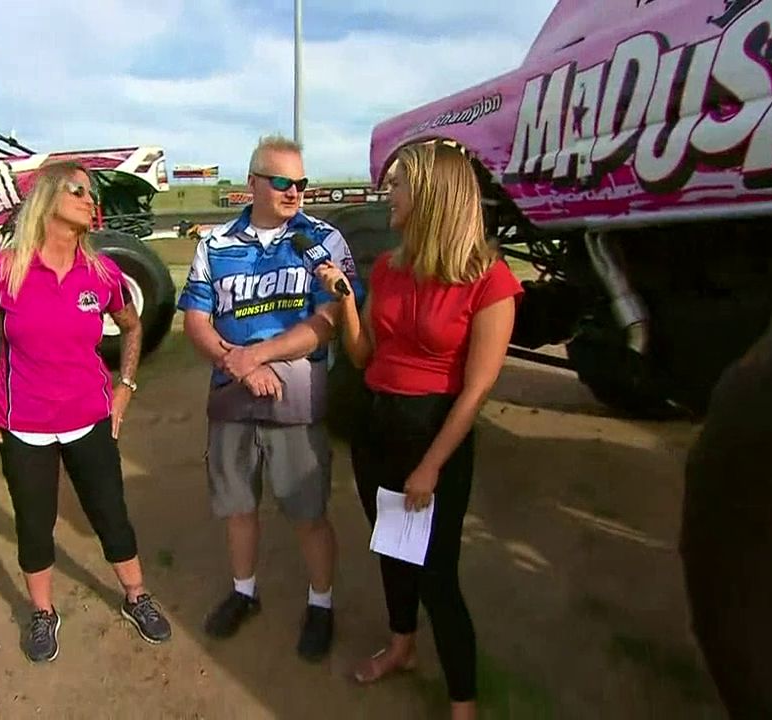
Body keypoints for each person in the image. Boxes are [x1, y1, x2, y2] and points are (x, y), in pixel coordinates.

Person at [312, 140, 522, 719]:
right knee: (393, 553)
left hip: (433, 436)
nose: (389, 195)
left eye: (399, 185)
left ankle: (463, 705)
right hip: (376, 426)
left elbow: (476, 389)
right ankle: (401, 646)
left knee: (437, 577)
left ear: (432, 194)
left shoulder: (490, 279)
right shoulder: (389, 267)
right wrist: (347, 302)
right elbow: (363, 356)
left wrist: (430, 466)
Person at [0, 160, 172, 664]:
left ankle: (136, 596)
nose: (88, 198)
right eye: (78, 190)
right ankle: (42, 612)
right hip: (23, 423)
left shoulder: (102, 272)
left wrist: (125, 387)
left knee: (110, 513)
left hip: (89, 416)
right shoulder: (4, 269)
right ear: (48, 197)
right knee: (35, 523)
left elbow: (132, 326)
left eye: (90, 192)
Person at [177, 134, 363, 662]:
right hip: (231, 396)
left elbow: (327, 322)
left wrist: (257, 356)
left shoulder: (322, 240)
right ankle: (244, 593)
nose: (294, 191)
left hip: (296, 400)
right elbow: (196, 319)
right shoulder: (214, 244)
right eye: (282, 181)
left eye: (301, 182)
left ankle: (321, 603)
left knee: (307, 511)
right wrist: (233, 361)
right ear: (252, 183)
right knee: (238, 506)